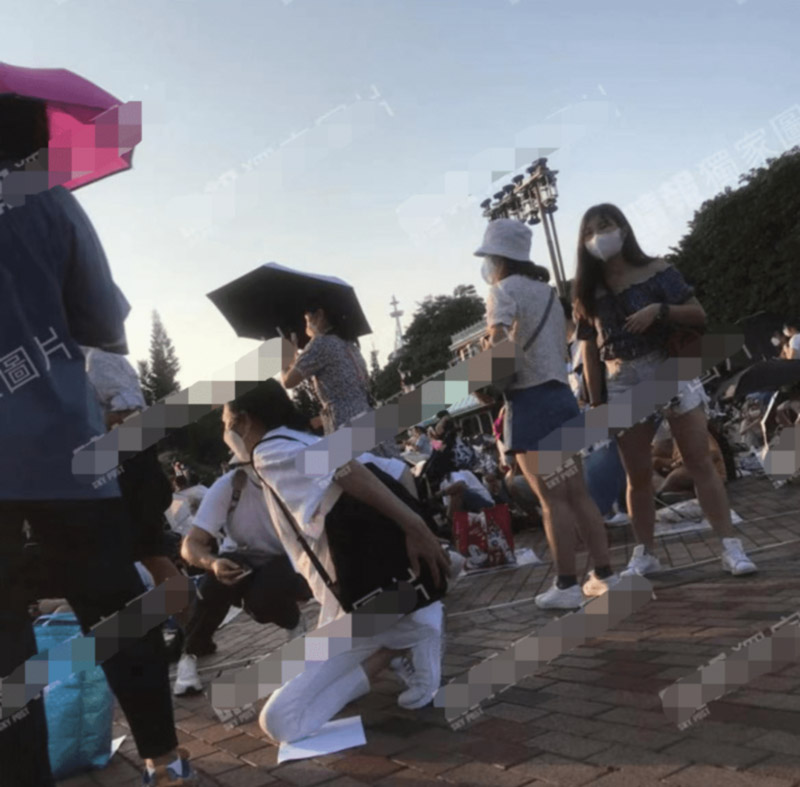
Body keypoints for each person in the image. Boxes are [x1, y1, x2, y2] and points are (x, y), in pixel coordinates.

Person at [0, 95, 194, 786]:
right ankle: (166, 760)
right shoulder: (53, 201)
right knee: (113, 602)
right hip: (64, 441)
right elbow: (105, 326)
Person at [220, 380, 452, 743]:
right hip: (381, 594)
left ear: (246, 420)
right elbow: (395, 471)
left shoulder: (269, 452)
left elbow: (344, 468)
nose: (227, 434)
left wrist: (415, 528)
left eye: (227, 424)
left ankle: (404, 638)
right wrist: (408, 529)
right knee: (306, 674)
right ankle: (408, 635)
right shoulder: (300, 440)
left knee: (281, 721)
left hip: (367, 605)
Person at [574, 202, 756, 577]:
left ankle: (730, 546)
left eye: (605, 225)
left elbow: (699, 314)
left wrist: (660, 310)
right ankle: (646, 552)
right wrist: (596, 405)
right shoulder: (587, 292)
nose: (598, 235)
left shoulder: (657, 270)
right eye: (590, 231)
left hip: (668, 366)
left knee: (698, 460)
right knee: (637, 474)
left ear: (623, 229)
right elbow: (589, 351)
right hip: (621, 377)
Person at [475, 218, 619, 609]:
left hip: (529, 399)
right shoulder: (548, 294)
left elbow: (502, 341)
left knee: (551, 500)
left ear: (498, 257)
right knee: (577, 493)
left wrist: (483, 364)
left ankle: (567, 584)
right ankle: (605, 573)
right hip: (561, 398)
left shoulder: (501, 290)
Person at [175, 462, 314, 695]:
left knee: (263, 599)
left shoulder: (296, 476)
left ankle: (294, 623)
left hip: (287, 560)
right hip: (241, 557)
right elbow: (190, 545)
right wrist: (213, 563)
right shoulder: (229, 485)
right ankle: (190, 652)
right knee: (212, 585)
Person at [281, 300, 373, 434]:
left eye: (307, 319)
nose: (306, 325)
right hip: (366, 414)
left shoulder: (320, 343)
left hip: (344, 418)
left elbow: (288, 381)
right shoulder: (349, 344)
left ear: (319, 315)